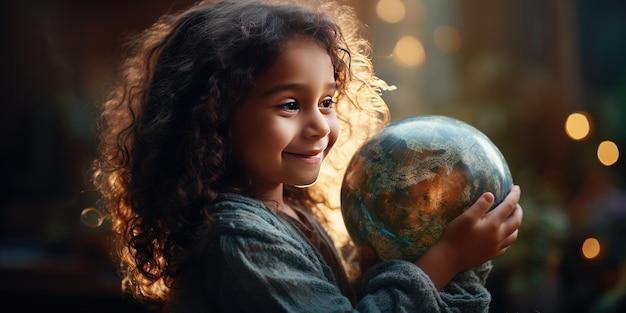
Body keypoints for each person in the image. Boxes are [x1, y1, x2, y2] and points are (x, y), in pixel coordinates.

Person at [91, 0, 523, 312]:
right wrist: (444, 261)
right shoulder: (237, 238)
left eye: (327, 102)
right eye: (290, 105)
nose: (319, 126)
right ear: (213, 117)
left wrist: (377, 272)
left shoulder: (289, 213)